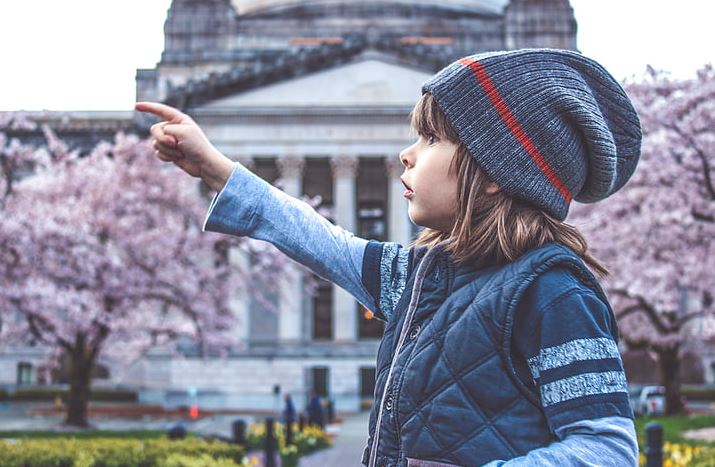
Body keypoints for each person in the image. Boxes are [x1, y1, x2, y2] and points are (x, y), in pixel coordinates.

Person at [136, 48, 641, 466]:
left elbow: (606, 448)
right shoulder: (423, 277)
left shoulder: (554, 292)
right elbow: (323, 242)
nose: (407, 153)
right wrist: (218, 169)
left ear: (494, 173)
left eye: (432, 137)